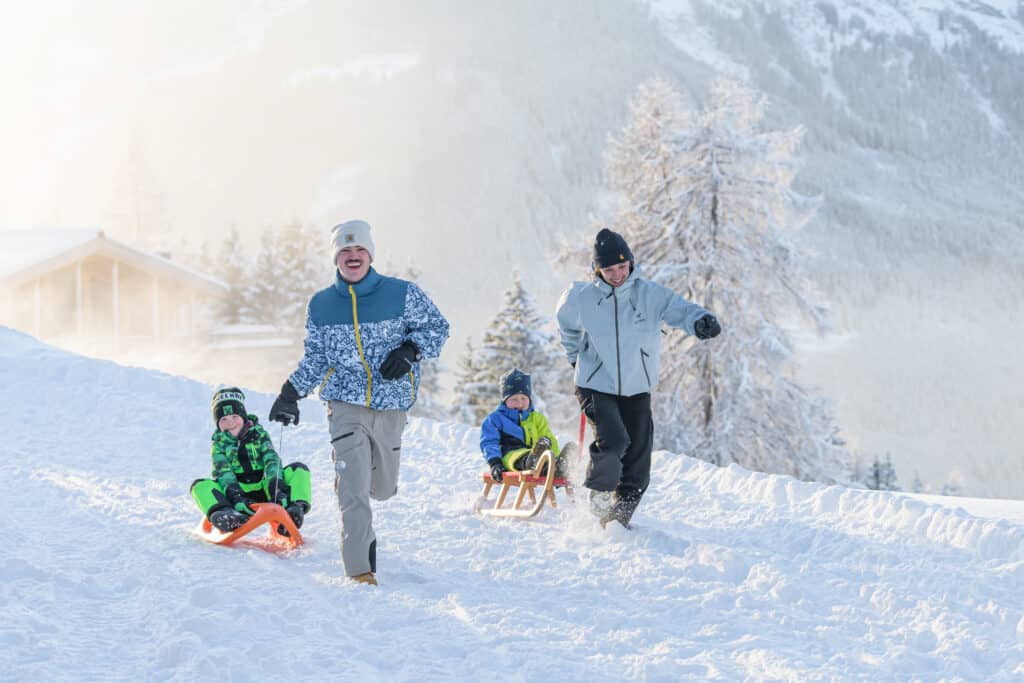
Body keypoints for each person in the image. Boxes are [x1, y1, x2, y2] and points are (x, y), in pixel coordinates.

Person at [268, 219, 449, 586]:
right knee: (353, 491)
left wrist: (410, 350)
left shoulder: (402, 294)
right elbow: (316, 357)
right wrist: (290, 393)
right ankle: (360, 569)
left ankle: (359, 486)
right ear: (336, 258)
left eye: (359, 249)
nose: (352, 256)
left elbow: (437, 328)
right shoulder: (322, 304)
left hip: (391, 403)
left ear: (370, 255)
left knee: (382, 489)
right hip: (344, 405)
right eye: (345, 251)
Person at [555, 228, 721, 528]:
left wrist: (700, 321)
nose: (617, 274)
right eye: (609, 269)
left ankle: (618, 520)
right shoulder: (581, 298)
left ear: (630, 262)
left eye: (622, 266)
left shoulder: (649, 295)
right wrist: (574, 357)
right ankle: (599, 496)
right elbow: (566, 325)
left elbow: (680, 310)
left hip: (637, 385)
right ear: (597, 270)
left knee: (639, 459)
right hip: (595, 383)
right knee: (614, 441)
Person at [191, 387, 311, 533]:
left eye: (235, 416)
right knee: (199, 486)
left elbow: (271, 461)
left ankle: (294, 510)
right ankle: (226, 515)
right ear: (217, 423)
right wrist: (236, 496)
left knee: (298, 470)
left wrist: (276, 488)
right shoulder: (219, 445)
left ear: (244, 417)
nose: (230, 423)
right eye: (224, 419)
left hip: (266, 488)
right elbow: (223, 472)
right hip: (237, 493)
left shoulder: (259, 435)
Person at [480, 368, 571, 481]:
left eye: (523, 398)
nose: (520, 403)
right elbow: (489, 442)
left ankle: (558, 465)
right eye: (514, 399)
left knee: (545, 443)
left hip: (539, 455)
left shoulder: (537, 418)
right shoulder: (496, 419)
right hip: (510, 457)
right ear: (504, 400)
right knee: (522, 457)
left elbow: (549, 439)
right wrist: (495, 463)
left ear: (529, 399)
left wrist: (555, 456)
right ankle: (538, 463)